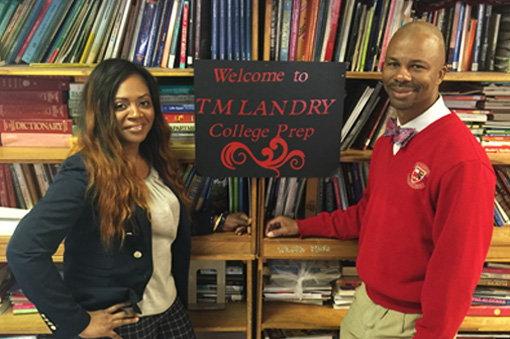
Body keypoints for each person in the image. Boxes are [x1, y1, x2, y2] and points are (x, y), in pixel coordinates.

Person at [265, 21, 495, 339]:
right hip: (365, 303)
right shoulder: (389, 139)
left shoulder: (464, 162)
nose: (401, 75)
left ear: (441, 74)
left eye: (417, 66)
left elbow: (456, 274)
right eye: (393, 64)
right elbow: (369, 213)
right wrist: (302, 227)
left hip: (411, 323)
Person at [6, 59, 251, 339]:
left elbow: (157, 223)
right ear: (100, 111)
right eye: (121, 105)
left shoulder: (155, 160)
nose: (136, 113)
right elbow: (23, 250)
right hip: (123, 321)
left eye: (144, 103)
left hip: (170, 308)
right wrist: (77, 323)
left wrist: (219, 221)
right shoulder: (84, 171)